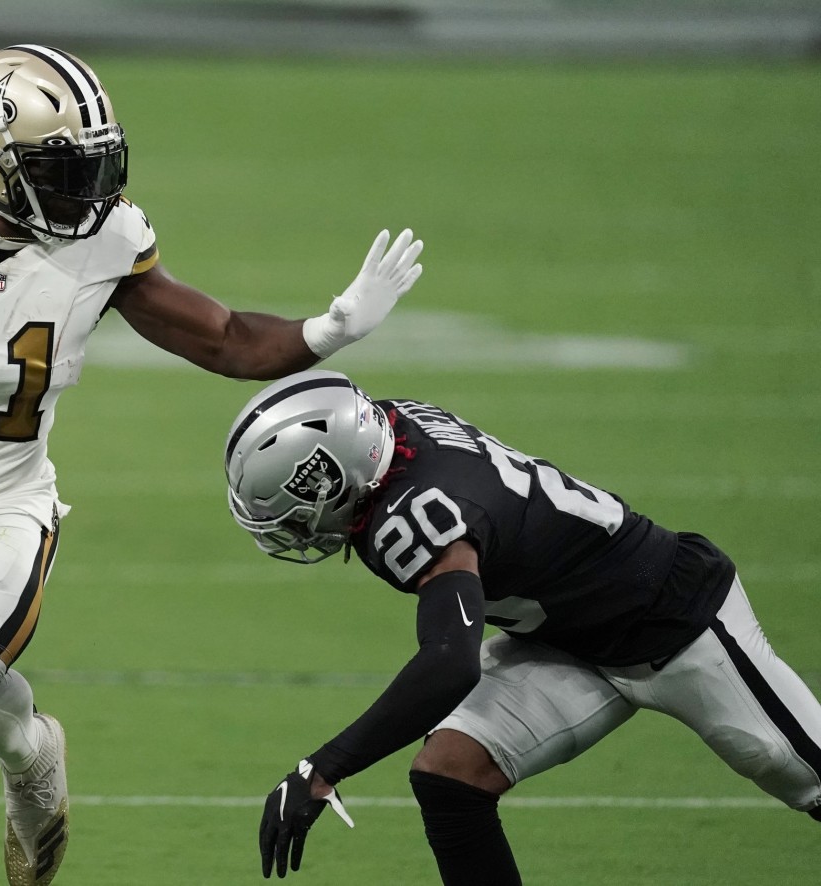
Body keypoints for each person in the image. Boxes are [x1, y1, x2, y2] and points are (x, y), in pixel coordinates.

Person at [0, 46, 423, 886]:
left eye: (94, 165)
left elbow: (221, 338)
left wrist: (330, 329)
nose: (88, 191)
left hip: (1, 509)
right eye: (59, 169)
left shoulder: (106, 240)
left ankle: (33, 753)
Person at [223, 369, 821, 882]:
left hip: (676, 621)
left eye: (292, 512)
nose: (294, 530)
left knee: (804, 776)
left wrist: (322, 768)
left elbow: (449, 661)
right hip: (567, 638)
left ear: (335, 476)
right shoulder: (391, 431)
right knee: (451, 775)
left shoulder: (415, 515)